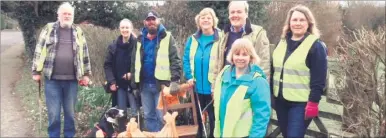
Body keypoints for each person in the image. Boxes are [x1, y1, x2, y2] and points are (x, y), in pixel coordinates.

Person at [31, 2, 91, 137]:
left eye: (69, 14)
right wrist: (36, 71)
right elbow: (39, 49)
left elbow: (85, 53)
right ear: (58, 15)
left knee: (70, 114)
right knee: (54, 114)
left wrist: (86, 74)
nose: (67, 16)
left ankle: (69, 135)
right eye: (64, 13)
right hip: (52, 80)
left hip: (72, 81)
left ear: (73, 16)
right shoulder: (49, 28)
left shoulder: (78, 31)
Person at [270, 5, 327, 138]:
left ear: (309, 23)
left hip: (301, 104)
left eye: (302, 20)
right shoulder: (281, 43)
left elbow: (319, 79)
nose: (298, 23)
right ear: (289, 23)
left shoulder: (316, 46)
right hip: (280, 101)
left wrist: (313, 102)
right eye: (294, 20)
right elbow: (274, 71)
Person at [131, 11, 182, 132]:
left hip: (162, 86)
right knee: (149, 116)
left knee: (162, 116)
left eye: (153, 19)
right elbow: (134, 63)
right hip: (144, 86)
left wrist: (175, 80)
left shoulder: (167, 37)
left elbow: (175, 59)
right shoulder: (139, 39)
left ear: (158, 20)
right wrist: (134, 84)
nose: (151, 22)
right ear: (145, 22)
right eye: (148, 20)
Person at [213, 38, 271, 137]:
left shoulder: (258, 81)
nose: (240, 58)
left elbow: (262, 116)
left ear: (251, 57)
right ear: (232, 56)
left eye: (245, 54)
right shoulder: (224, 74)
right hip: (223, 133)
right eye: (237, 54)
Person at [182, 7, 220, 138]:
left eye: (208, 17)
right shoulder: (192, 39)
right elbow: (186, 59)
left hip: (213, 88)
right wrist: (189, 76)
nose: (205, 20)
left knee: (214, 120)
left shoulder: (220, 38)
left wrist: (218, 83)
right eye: (202, 18)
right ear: (199, 21)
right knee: (197, 119)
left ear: (213, 21)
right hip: (197, 87)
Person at [214, 1, 270, 86]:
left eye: (239, 12)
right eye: (232, 12)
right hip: (226, 86)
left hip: (248, 87)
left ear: (246, 14)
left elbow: (264, 65)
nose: (235, 15)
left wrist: (261, 87)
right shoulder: (224, 34)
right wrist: (215, 86)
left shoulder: (258, 34)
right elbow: (218, 63)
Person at [104, 18, 138, 132]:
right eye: (122, 27)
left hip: (133, 85)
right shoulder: (113, 46)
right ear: (119, 29)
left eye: (127, 27)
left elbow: (142, 64)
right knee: (121, 111)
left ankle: (135, 132)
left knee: (134, 111)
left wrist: (131, 75)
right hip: (119, 85)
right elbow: (107, 65)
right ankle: (123, 133)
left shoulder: (137, 45)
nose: (125, 30)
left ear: (131, 29)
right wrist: (112, 81)